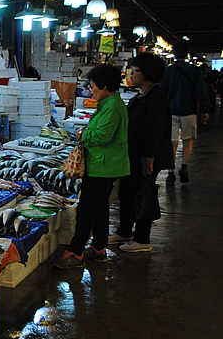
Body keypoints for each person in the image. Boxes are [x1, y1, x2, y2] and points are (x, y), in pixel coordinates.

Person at [53, 64, 129, 269]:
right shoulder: (110, 104)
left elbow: (102, 136)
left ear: (105, 86)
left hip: (102, 166)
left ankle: (76, 252)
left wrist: (82, 134)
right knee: (100, 208)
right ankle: (98, 247)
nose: (91, 90)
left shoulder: (112, 106)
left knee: (87, 210)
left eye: (93, 86)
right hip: (104, 165)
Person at [108, 54, 173, 253]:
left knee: (143, 194)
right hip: (133, 155)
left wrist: (148, 159)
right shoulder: (143, 95)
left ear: (147, 75)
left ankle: (142, 238)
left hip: (145, 157)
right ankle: (125, 231)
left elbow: (154, 131)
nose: (131, 75)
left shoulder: (156, 98)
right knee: (127, 193)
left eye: (135, 71)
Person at [159, 41, 209, 185]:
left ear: (173, 53)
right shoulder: (194, 70)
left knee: (172, 142)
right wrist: (204, 109)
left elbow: (162, 91)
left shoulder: (168, 71)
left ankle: (170, 173)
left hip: (171, 111)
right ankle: (184, 167)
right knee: (188, 140)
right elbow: (201, 90)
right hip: (189, 110)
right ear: (187, 54)